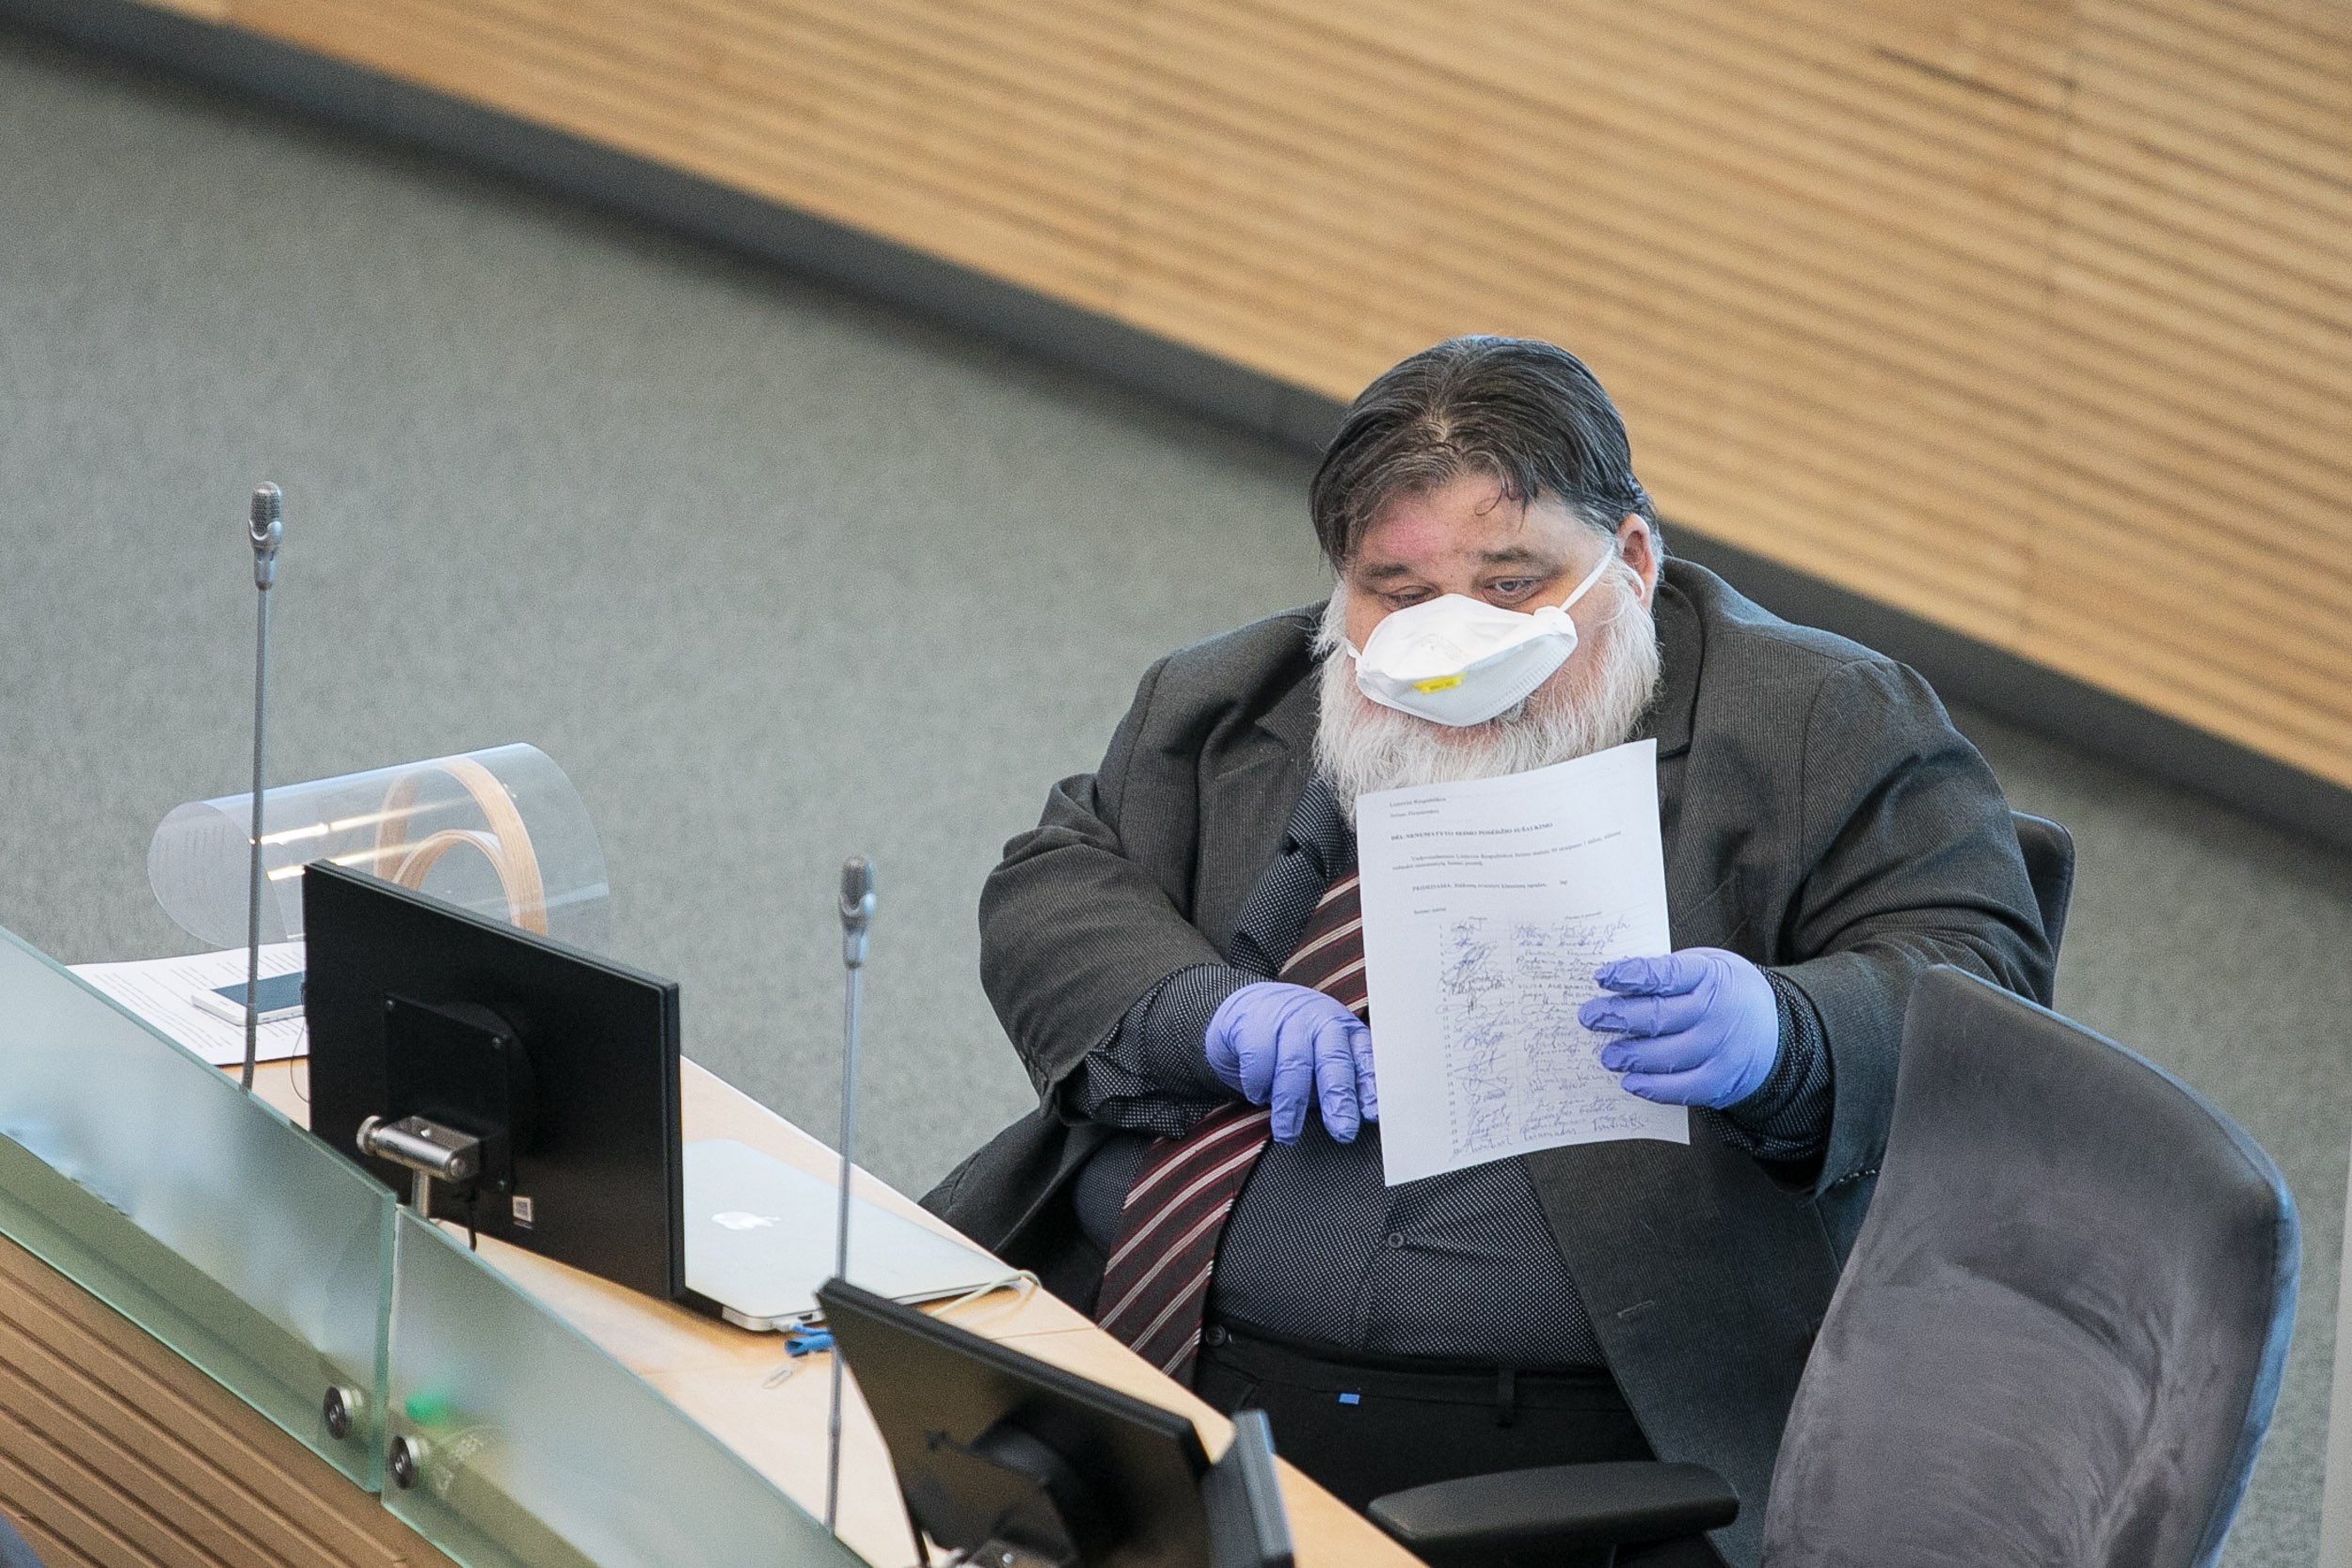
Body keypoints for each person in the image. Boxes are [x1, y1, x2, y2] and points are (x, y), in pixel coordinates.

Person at [924, 336, 2052, 1566]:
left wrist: (1788, 1033)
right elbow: (1054, 877)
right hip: (1127, 1338)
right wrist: (1205, 1014)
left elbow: (1982, 977)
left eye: (1511, 584)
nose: (1450, 641)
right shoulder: (1225, 696)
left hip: (1553, 1431)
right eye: (1398, 596)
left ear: (1628, 557)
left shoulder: (1823, 725)